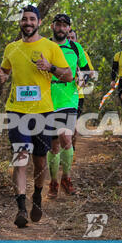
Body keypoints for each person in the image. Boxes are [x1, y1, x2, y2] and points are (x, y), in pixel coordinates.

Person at [0, 5, 72, 228]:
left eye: (31, 19)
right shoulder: (11, 48)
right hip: (17, 110)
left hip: (44, 111)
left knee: (39, 161)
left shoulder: (50, 47)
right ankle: (21, 207)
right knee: (21, 157)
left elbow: (68, 76)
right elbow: (4, 73)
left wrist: (51, 67)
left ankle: (37, 195)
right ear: (20, 23)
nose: (27, 22)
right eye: (24, 19)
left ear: (38, 23)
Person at [46, 15, 90, 198]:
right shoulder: (44, 45)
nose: (61, 28)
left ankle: (67, 178)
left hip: (69, 99)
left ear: (69, 28)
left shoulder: (75, 47)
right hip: (47, 99)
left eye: (65, 25)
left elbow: (87, 71)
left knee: (66, 138)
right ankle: (54, 182)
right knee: (53, 145)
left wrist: (83, 79)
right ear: (52, 26)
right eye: (58, 24)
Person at [69, 29, 95, 150]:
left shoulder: (81, 52)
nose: (69, 39)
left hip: (77, 94)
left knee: (73, 123)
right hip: (57, 93)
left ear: (76, 40)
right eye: (68, 37)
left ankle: (71, 147)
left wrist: (81, 77)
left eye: (72, 37)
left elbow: (90, 72)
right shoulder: (57, 50)